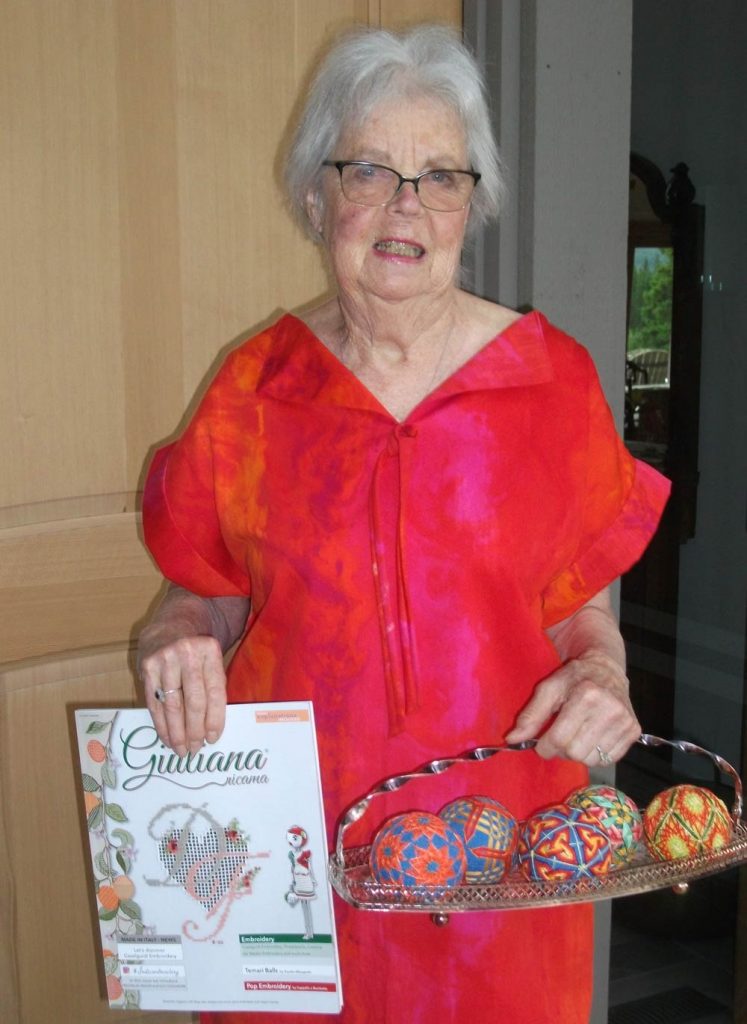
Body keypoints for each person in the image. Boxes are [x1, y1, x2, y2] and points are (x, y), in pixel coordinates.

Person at [138, 24, 670, 1024]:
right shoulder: (254, 391)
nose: (406, 207)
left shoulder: (552, 384)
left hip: (496, 866)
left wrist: (600, 668)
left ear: (475, 205)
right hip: (291, 864)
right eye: (371, 171)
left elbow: (581, 607)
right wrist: (174, 640)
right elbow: (199, 590)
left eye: (441, 177)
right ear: (315, 197)